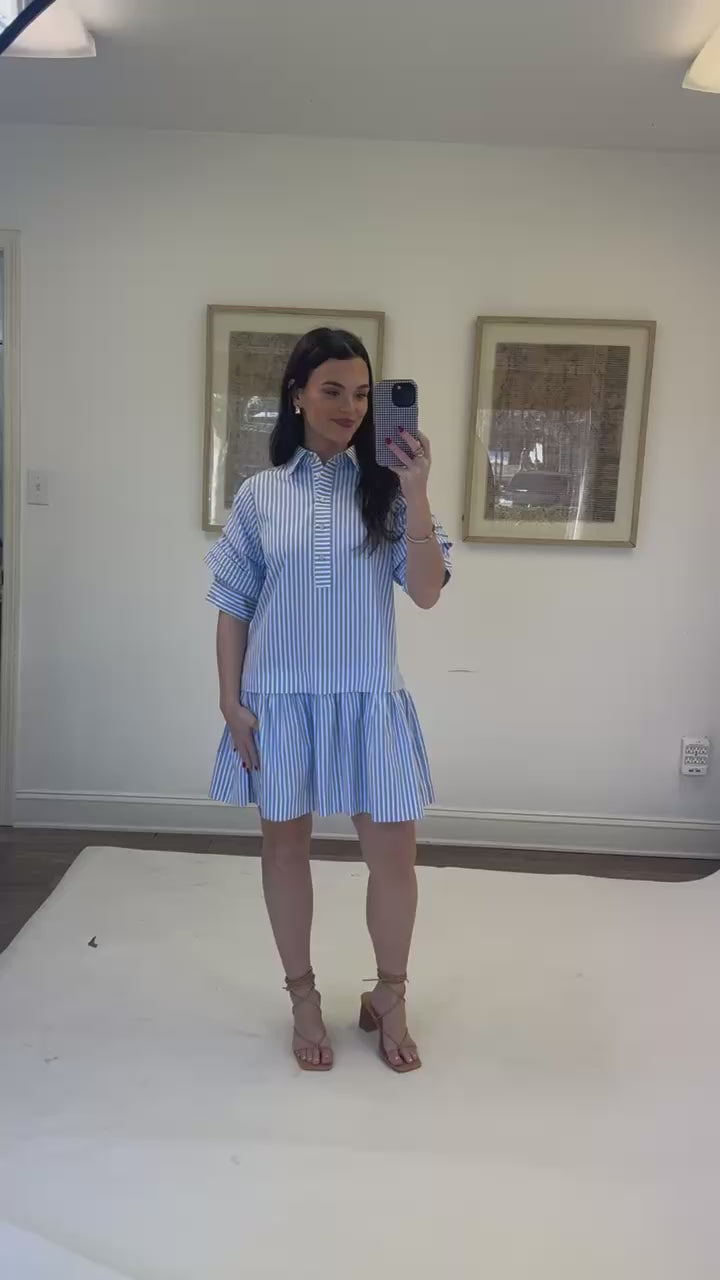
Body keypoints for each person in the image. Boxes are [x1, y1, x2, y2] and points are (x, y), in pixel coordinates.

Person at [206, 328, 451, 1074]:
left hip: (370, 699)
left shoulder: (387, 491)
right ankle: (303, 997)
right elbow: (233, 605)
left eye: (363, 394)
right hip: (278, 701)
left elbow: (428, 592)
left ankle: (390, 995)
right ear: (298, 396)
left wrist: (416, 489)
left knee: (395, 860)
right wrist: (230, 703)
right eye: (333, 390)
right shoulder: (259, 496)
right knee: (285, 851)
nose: (350, 407)